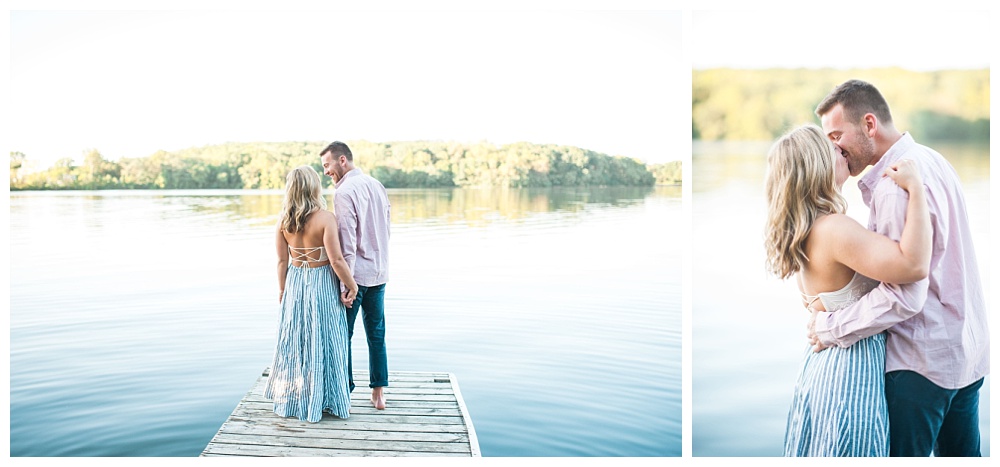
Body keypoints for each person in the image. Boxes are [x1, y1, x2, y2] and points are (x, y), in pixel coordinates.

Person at [808, 79, 990, 456]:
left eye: (837, 135)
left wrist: (830, 327)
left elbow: (904, 296)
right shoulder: (932, 159)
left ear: (869, 125)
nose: (833, 148)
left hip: (920, 366)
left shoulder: (893, 187)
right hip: (967, 354)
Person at [764, 124, 933, 456]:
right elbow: (913, 265)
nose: (843, 152)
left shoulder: (808, 230)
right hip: (849, 374)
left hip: (822, 370)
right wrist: (917, 190)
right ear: (816, 165)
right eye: (835, 151)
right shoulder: (834, 229)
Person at [263, 165, 359, 423]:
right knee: (326, 337)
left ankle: (297, 397)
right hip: (321, 283)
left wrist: (283, 290)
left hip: (295, 282)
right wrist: (352, 285)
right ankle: (326, 398)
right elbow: (337, 260)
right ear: (314, 187)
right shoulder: (326, 218)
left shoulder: (283, 221)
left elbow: (282, 262)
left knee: (298, 339)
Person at [319, 141, 392, 410]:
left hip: (356, 276)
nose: (325, 171)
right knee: (377, 334)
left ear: (341, 161)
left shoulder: (344, 192)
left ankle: (345, 390)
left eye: (327, 165)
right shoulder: (376, 184)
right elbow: (386, 228)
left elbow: (346, 244)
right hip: (380, 271)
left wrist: (344, 284)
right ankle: (378, 394)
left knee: (342, 334)